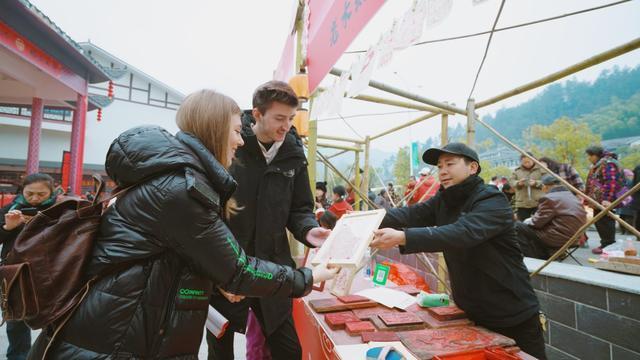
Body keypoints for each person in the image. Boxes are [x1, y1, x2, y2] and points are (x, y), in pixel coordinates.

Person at [27, 90, 337, 359]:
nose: (240, 140)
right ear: (215, 130)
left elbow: (180, 250)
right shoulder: (181, 190)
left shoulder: (180, 178)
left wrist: (216, 277)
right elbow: (238, 270)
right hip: (121, 334)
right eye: (234, 131)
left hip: (132, 323)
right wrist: (308, 277)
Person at [369, 142, 545, 359]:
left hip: (511, 312)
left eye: (450, 164)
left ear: (472, 167)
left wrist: (404, 236)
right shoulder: (443, 199)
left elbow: (463, 233)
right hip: (470, 310)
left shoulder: (491, 199)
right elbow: (408, 215)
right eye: (440, 166)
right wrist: (362, 220)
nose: (443, 171)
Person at [207, 81, 332, 360]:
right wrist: (215, 269)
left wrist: (310, 231)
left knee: (288, 349)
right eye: (279, 118)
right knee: (219, 348)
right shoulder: (231, 144)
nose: (286, 126)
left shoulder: (294, 154)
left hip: (273, 268)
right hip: (229, 265)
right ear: (257, 114)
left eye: (290, 118)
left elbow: (300, 208)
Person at [1, 173, 57, 360]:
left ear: (52, 191)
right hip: (14, 274)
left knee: (52, 321)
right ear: (22, 190)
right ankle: (18, 356)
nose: (34, 199)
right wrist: (8, 227)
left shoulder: (60, 210)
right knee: (16, 321)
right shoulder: (11, 209)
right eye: (29, 193)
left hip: (49, 274)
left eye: (41, 194)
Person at [514, 175, 587, 259]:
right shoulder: (571, 196)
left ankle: (534, 257)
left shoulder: (549, 198)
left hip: (557, 238)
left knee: (517, 226)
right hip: (575, 238)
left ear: (545, 186)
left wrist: (527, 220)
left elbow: (536, 223)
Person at [585, 145, 625, 254]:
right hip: (599, 200)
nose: (589, 158)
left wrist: (607, 199)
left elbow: (611, 182)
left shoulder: (608, 164)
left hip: (605, 200)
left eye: (590, 156)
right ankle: (606, 244)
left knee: (605, 222)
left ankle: (608, 244)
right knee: (600, 221)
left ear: (596, 155)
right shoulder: (601, 164)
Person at [510, 153, 545, 221]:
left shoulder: (541, 169)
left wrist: (536, 183)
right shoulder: (517, 171)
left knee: (540, 222)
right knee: (523, 224)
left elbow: (548, 182)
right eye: (524, 162)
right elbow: (511, 182)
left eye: (528, 162)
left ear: (533, 160)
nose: (527, 164)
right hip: (522, 203)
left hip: (538, 202)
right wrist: (518, 183)